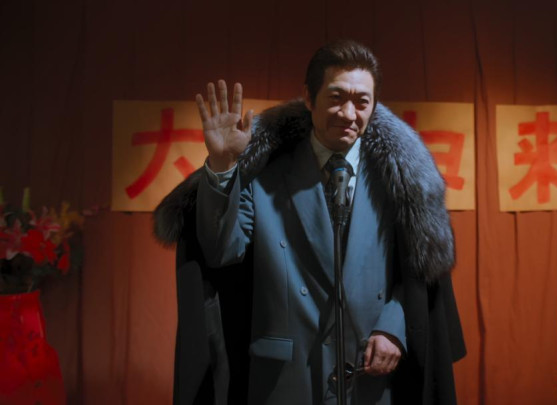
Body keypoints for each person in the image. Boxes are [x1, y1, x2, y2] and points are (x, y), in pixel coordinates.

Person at [154, 40, 465, 404]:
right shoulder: (266, 173)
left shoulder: (396, 180)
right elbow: (223, 251)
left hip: (370, 379)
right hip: (284, 379)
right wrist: (223, 165)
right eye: (336, 97)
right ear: (308, 97)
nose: (348, 113)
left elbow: (415, 273)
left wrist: (395, 327)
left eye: (362, 102)